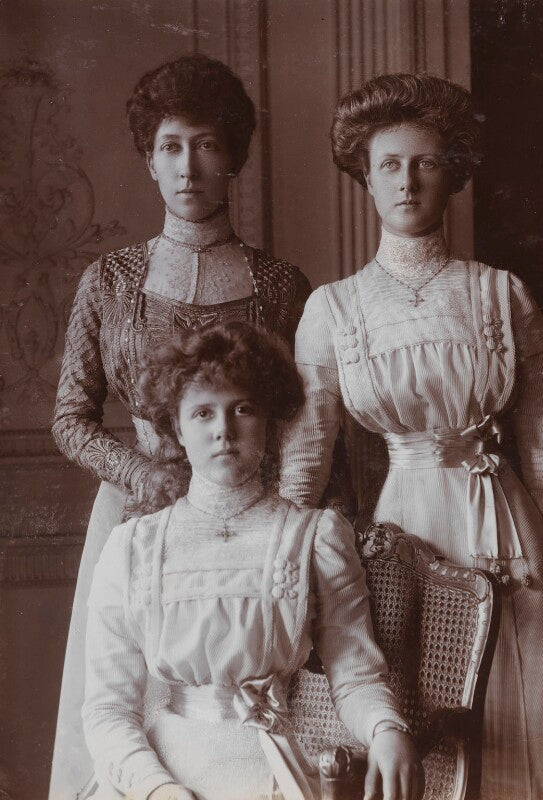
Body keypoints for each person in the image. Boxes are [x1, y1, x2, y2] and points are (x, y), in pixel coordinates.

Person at [278, 73, 543, 800]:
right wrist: (280, 563)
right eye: (389, 166)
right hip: (405, 535)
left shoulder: (502, 293)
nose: (407, 182)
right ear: (366, 179)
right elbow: (307, 456)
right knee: (424, 727)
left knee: (526, 717)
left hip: (507, 532)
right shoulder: (334, 309)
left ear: (452, 174)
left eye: (426, 163)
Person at [50, 54, 311, 799]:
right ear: (149, 160)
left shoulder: (281, 286)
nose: (187, 167)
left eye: (205, 145)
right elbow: (70, 419)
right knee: (118, 711)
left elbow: (303, 423)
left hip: (245, 526)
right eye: (170, 146)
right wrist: (145, 474)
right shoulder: (108, 281)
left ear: (233, 158)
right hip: (134, 519)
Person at [81, 321, 421, 800]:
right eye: (203, 413)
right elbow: (107, 708)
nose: (223, 430)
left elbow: (355, 674)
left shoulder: (314, 537)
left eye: (242, 409)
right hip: (159, 773)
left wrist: (386, 728)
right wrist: (157, 789)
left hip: (268, 766)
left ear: (268, 421)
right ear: (177, 428)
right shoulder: (133, 546)